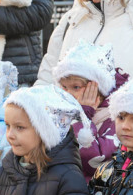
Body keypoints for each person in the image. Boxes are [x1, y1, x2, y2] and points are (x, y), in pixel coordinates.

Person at [52, 40, 122, 180]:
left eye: (76, 87)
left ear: (98, 87)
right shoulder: (61, 110)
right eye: (64, 87)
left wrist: (82, 116)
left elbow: (94, 161)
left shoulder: (116, 116)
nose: (68, 94)